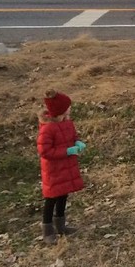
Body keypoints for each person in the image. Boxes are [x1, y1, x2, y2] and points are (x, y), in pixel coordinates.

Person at [37, 91, 86, 244]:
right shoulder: (47, 128)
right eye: (67, 107)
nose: (70, 109)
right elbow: (44, 151)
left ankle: (61, 226)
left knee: (63, 195)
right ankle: (47, 231)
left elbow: (72, 136)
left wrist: (77, 142)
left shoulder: (67, 123)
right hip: (54, 170)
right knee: (51, 199)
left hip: (66, 167)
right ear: (60, 111)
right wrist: (67, 151)